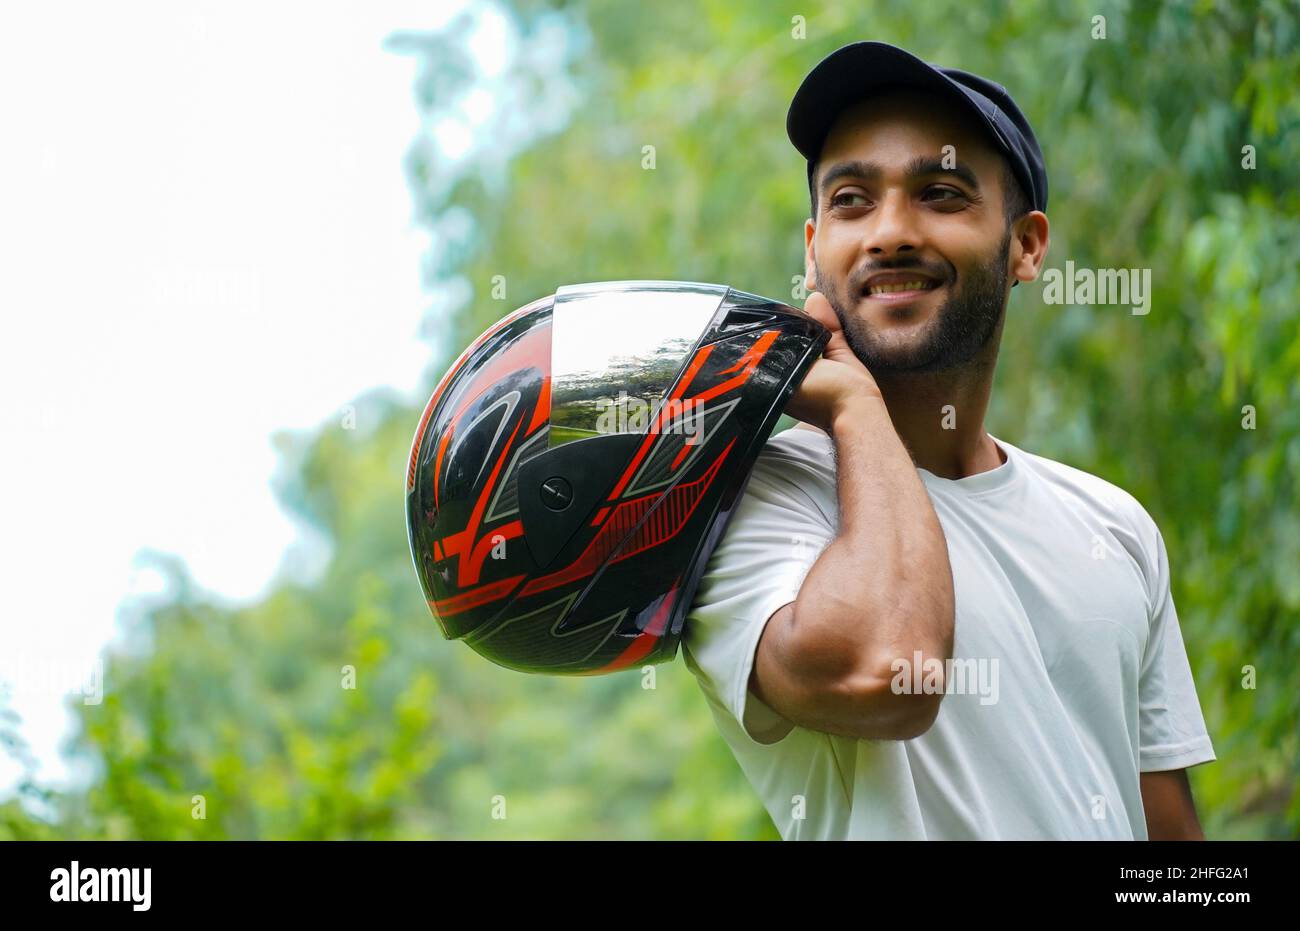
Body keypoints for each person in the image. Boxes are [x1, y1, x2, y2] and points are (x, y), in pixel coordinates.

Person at [682, 41, 1216, 840]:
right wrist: (856, 411)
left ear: (1027, 245)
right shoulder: (746, 498)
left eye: (939, 193)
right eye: (853, 200)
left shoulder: (1114, 526)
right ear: (812, 247)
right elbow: (888, 675)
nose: (890, 231)